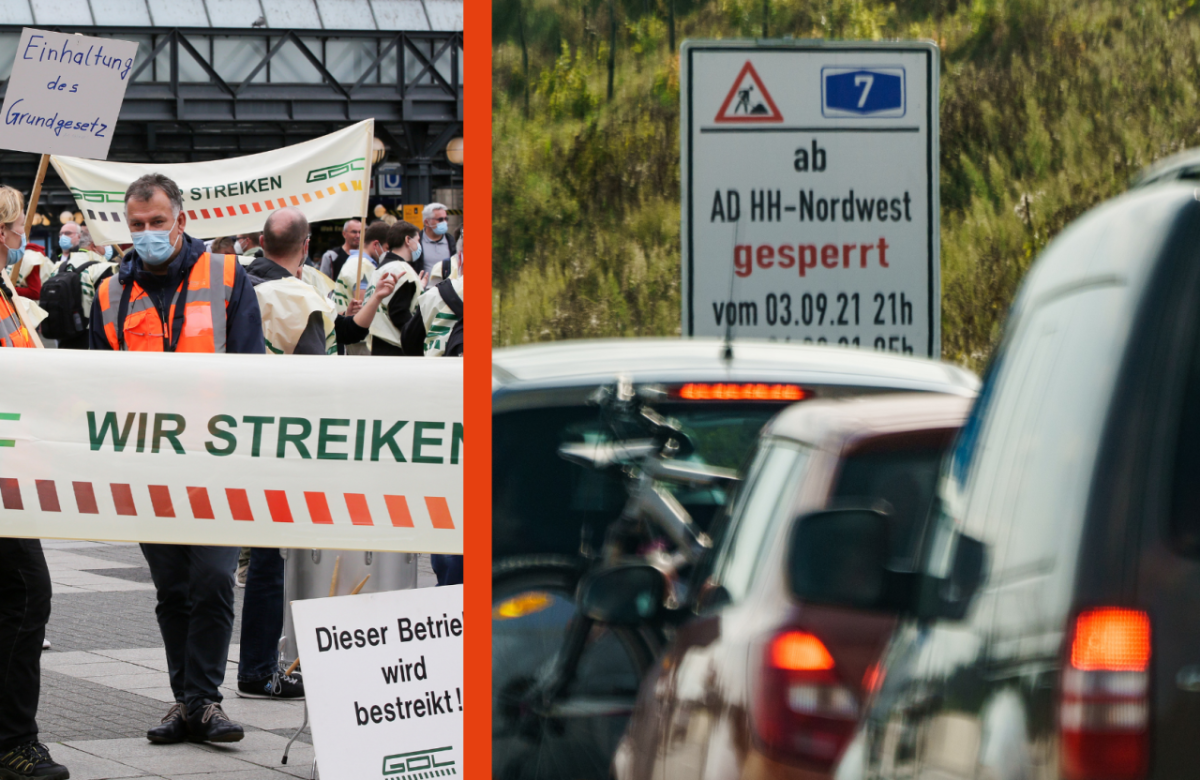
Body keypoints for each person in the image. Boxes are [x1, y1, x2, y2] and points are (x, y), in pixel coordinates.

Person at [89, 173, 264, 744]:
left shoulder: (228, 276)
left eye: (156, 222)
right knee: (172, 590)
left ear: (180, 220)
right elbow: (101, 380)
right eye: (136, 225)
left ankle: (205, 699)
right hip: (149, 464)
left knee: (213, 579)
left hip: (214, 460)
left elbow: (251, 368)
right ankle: (187, 702)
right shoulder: (110, 291)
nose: (146, 233)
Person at [235, 208, 397, 698]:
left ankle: (242, 672)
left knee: (238, 561)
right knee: (270, 560)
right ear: (305, 245)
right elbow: (315, 372)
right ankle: (260, 668)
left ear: (261, 242)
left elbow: (342, 332)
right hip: (287, 439)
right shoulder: (295, 295)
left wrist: (370, 301)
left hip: (241, 431)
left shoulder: (243, 284)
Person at [0, 185, 70, 780]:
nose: (22, 234)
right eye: (17, 224)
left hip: (11, 473)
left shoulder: (4, 291)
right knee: (25, 595)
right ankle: (12, 740)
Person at [366, 220, 424, 356]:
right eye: (418, 240)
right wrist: (416, 337)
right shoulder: (401, 270)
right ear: (408, 240)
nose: (419, 245)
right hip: (396, 346)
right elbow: (399, 312)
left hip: (379, 341)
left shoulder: (382, 267)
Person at [418, 203, 454, 277]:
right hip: (424, 288)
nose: (444, 222)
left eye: (446, 219)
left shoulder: (451, 241)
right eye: (440, 219)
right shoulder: (417, 241)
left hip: (447, 288)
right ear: (426, 222)